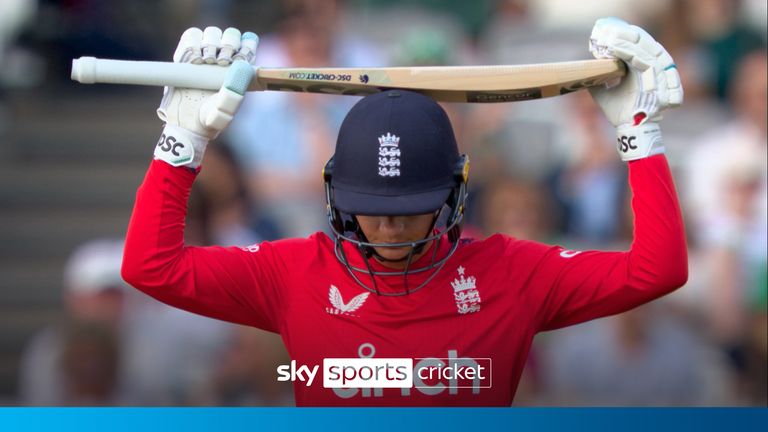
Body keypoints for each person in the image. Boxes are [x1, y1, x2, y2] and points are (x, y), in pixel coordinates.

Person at [122, 18, 687, 406]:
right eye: (370, 207)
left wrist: (639, 134)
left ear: (453, 195)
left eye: (410, 207)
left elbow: (657, 270)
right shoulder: (291, 274)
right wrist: (182, 141)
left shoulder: (513, 273)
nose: (389, 225)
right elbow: (150, 267)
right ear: (337, 195)